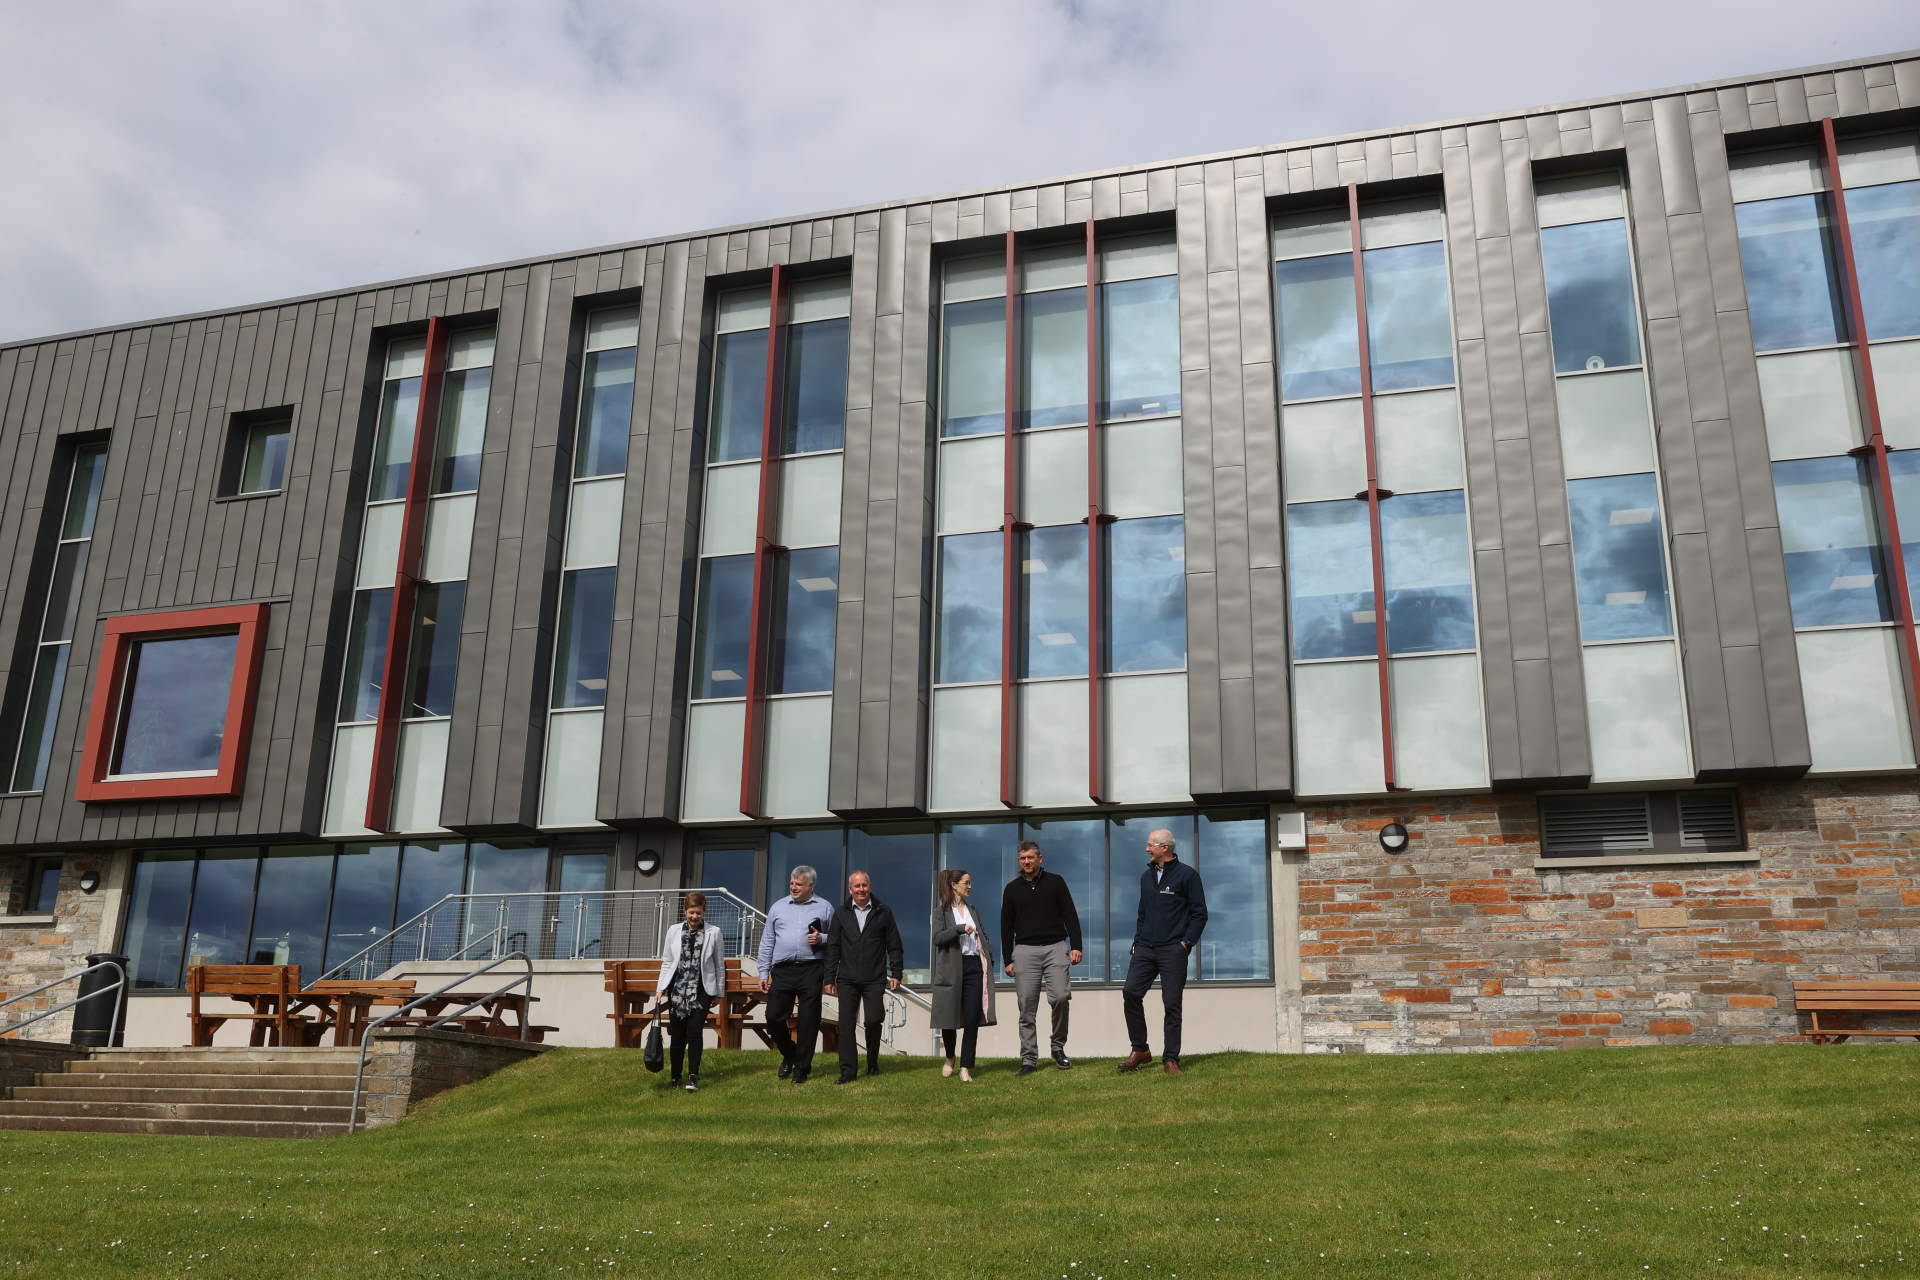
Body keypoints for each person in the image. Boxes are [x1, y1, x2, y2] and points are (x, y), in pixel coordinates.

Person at [1119, 828, 1207, 1075]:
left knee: (1171, 1003)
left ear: (1164, 848)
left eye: (1150, 845)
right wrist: (1137, 942)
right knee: (1130, 993)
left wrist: (1186, 943)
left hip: (1173, 950)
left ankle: (1170, 1059)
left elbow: (1200, 914)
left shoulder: (1188, 876)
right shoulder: (1145, 877)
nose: (1146, 849)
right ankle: (1140, 1050)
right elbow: (1142, 913)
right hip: (1145, 948)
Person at [1000, 839, 1082, 1076]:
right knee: (1026, 1006)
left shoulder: (1056, 882)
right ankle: (1029, 1059)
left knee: (1060, 997)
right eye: (1022, 858)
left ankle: (1058, 1047)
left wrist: (1076, 945)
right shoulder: (1012, 889)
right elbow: (1006, 927)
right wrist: (1008, 959)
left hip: (1055, 947)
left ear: (1039, 859)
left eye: (1030, 857)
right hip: (1025, 951)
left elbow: (1070, 914)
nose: (1026, 861)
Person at [823, 869, 905, 1084]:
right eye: (857, 886)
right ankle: (848, 1071)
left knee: (874, 1020)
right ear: (850, 889)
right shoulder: (841, 913)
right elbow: (833, 947)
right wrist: (829, 978)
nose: (861, 889)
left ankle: (872, 1062)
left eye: (864, 885)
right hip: (847, 979)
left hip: (874, 978)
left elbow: (894, 945)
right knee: (846, 1025)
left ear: (870, 887)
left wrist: (896, 972)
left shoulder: (883, 912)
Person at [756, 865, 835, 1084]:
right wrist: (763, 972)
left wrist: (822, 938)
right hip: (783, 970)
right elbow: (767, 941)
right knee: (773, 1016)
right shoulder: (778, 907)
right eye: (791, 883)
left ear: (811, 886)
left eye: (799, 884)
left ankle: (802, 1069)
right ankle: (790, 1054)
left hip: (812, 968)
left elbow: (837, 938)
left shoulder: (825, 907)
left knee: (808, 1021)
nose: (793, 887)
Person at [929, 868, 996, 1082]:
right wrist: (959, 929)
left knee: (971, 1018)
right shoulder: (941, 912)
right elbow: (937, 938)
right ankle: (950, 1057)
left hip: (974, 967)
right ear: (954, 885)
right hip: (951, 968)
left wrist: (989, 955)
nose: (970, 886)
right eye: (966, 883)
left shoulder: (973, 910)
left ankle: (966, 1066)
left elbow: (983, 935)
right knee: (948, 1017)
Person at [654, 892, 725, 1091]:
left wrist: (719, 993)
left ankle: (693, 1076)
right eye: (691, 912)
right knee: (677, 1035)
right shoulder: (673, 931)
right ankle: (675, 1077)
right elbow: (667, 961)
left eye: (698, 913)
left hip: (702, 989)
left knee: (694, 1031)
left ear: (704, 912)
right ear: (685, 911)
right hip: (677, 989)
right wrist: (660, 988)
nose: (695, 917)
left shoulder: (714, 932)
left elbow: (719, 965)